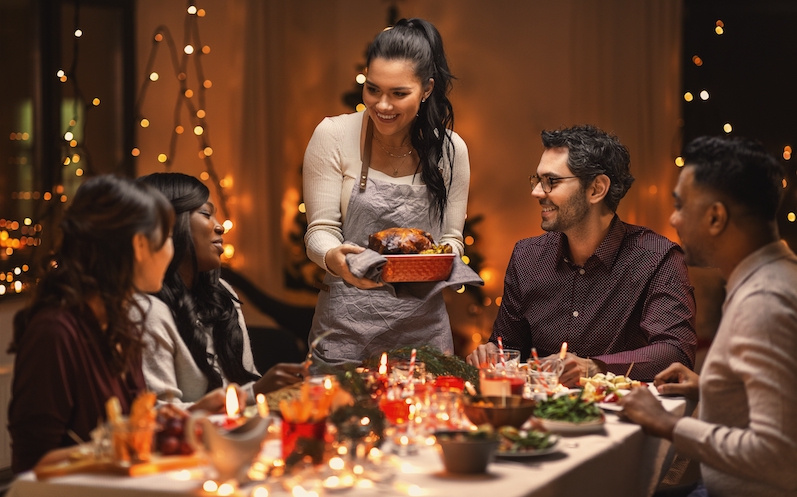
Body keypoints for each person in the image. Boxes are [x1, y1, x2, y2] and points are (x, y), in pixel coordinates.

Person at [620, 136, 797, 497]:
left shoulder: (763, 301)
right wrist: (713, 387)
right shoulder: (777, 275)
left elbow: (778, 455)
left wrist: (668, 424)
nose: (673, 218)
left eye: (681, 205)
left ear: (716, 217)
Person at [467, 125, 697, 386]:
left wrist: (594, 367)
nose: (537, 192)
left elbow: (675, 353)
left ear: (597, 189)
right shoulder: (527, 257)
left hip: (623, 418)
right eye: (537, 180)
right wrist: (492, 353)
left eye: (551, 181)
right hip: (540, 415)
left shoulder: (657, 258)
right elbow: (508, 347)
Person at [303, 18, 471, 367]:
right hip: (345, 331)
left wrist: (430, 265)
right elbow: (320, 231)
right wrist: (334, 258)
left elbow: (452, 240)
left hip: (423, 336)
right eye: (373, 89)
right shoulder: (333, 135)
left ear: (426, 89)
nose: (382, 105)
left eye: (399, 93)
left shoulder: (451, 150)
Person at [7, 175, 175, 473]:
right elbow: (33, 465)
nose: (171, 251)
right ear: (139, 245)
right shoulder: (55, 332)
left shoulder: (121, 322)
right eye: (168, 237)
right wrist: (120, 447)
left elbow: (128, 429)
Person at [137, 172, 304, 411]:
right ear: (169, 225)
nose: (219, 226)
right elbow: (158, 415)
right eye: (206, 214)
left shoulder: (221, 293)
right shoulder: (147, 310)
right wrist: (253, 394)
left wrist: (260, 390)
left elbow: (244, 385)